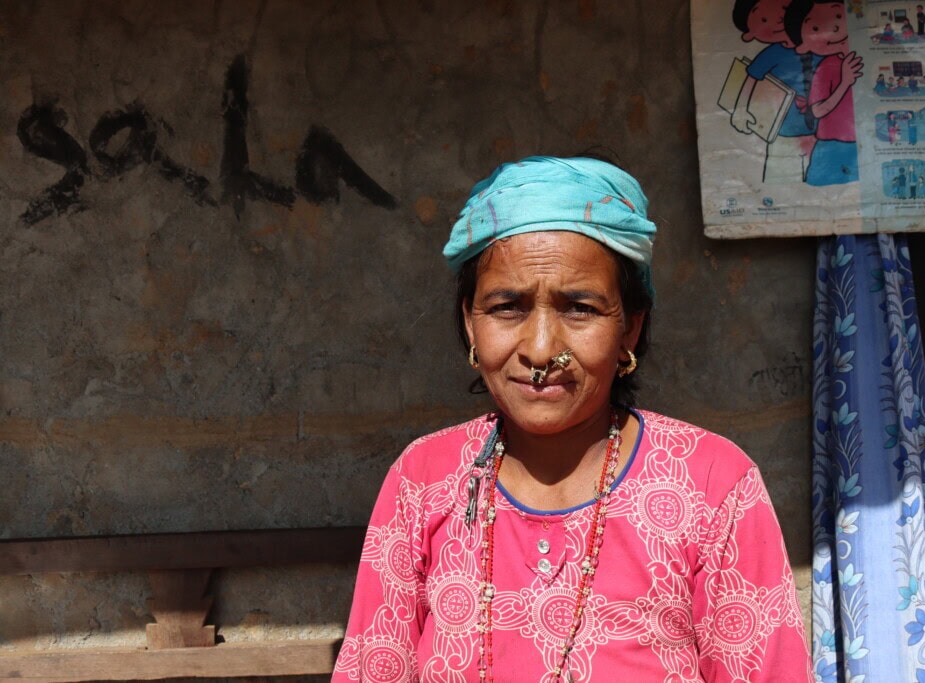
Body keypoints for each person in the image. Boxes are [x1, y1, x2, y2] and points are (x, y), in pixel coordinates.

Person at [332, 156, 813, 682]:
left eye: (579, 308)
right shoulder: (423, 480)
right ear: (471, 322)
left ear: (629, 328)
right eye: (507, 307)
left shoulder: (713, 486)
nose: (541, 351)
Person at [729, 0, 820, 183]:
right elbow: (751, 79)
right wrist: (741, 110)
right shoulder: (772, 54)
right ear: (749, 34)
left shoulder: (819, 49)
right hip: (783, 133)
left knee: (816, 181)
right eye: (763, 19)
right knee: (779, 182)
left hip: (820, 133)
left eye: (785, 11)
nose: (779, 19)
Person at [786, 0, 862, 185]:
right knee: (818, 192)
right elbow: (817, 110)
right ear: (804, 45)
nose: (834, 28)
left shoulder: (866, 59)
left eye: (838, 16)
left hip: (866, 142)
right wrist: (845, 82)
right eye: (816, 27)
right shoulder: (827, 67)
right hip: (832, 145)